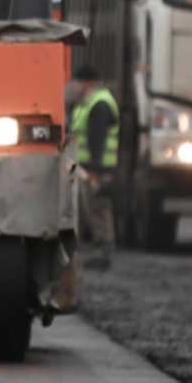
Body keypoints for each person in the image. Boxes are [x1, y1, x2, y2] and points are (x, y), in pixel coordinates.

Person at [67, 64, 118, 269]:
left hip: (98, 169)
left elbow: (98, 139)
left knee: (99, 210)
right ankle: (98, 251)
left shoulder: (100, 104)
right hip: (88, 168)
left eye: (78, 82)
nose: (75, 86)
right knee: (92, 209)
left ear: (87, 83)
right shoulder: (86, 103)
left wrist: (95, 171)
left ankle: (103, 253)